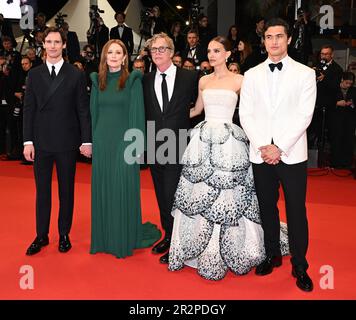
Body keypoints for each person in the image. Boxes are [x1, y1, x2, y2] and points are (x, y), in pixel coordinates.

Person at [168, 36, 289, 281]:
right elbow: (197, 110)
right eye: (210, 51)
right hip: (202, 140)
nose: (211, 55)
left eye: (216, 51)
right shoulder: (203, 80)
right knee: (198, 192)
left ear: (227, 53)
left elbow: (252, 111)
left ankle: (241, 246)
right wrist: (168, 119)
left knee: (231, 192)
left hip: (229, 141)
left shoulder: (240, 80)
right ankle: (201, 247)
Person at [239, 18, 316, 292]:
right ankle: (272, 254)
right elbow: (245, 114)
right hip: (261, 155)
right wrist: (264, 146)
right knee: (266, 207)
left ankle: (300, 264)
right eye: (269, 37)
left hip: (292, 154)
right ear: (264, 40)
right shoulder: (251, 74)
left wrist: (279, 147)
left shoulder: (305, 74)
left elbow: (304, 116)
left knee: (296, 211)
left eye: (279, 36)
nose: (274, 41)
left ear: (289, 38)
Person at [23, 27, 92, 256]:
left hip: (66, 141)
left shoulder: (75, 74)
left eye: (56, 42)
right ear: (44, 45)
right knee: (42, 191)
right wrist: (27, 141)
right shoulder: (34, 74)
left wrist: (86, 140)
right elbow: (29, 110)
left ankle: (64, 233)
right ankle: (41, 235)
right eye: (48, 42)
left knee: (66, 191)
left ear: (64, 45)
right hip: (41, 142)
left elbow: (83, 109)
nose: (52, 46)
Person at [90, 39, 161, 258]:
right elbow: (94, 113)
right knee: (104, 188)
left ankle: (122, 236)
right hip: (103, 141)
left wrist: (136, 145)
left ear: (124, 57)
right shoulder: (96, 80)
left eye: (118, 52)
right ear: (105, 56)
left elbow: (137, 113)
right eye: (109, 51)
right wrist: (93, 142)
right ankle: (104, 238)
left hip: (125, 142)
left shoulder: (132, 80)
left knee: (122, 187)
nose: (113, 55)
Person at [143, 33, 199, 264]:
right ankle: (169, 235)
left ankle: (179, 240)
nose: (157, 53)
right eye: (153, 49)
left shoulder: (190, 77)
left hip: (179, 144)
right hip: (154, 145)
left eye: (162, 48)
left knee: (174, 194)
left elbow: (201, 105)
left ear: (172, 51)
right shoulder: (145, 80)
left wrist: (186, 120)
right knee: (161, 195)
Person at [329, 72, 356, 169]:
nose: (348, 85)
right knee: (336, 139)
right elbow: (326, 102)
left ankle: (347, 163)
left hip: (349, 120)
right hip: (336, 119)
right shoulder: (333, 88)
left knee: (348, 140)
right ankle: (335, 163)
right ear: (342, 80)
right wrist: (336, 103)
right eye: (346, 83)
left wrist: (351, 104)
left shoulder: (353, 90)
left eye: (350, 84)